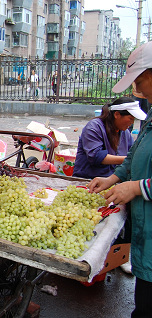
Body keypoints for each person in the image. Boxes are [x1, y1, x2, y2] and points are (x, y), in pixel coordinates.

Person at [88, 41, 152, 318]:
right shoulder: (150, 118)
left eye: (138, 81)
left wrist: (137, 187)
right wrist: (113, 179)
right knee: (144, 302)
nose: (137, 89)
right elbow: (133, 159)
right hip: (146, 236)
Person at [73, 97, 146, 179]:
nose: (132, 122)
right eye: (130, 118)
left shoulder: (126, 133)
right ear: (117, 115)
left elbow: (132, 152)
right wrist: (129, 159)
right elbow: (96, 157)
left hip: (112, 180)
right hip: (88, 179)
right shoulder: (94, 127)